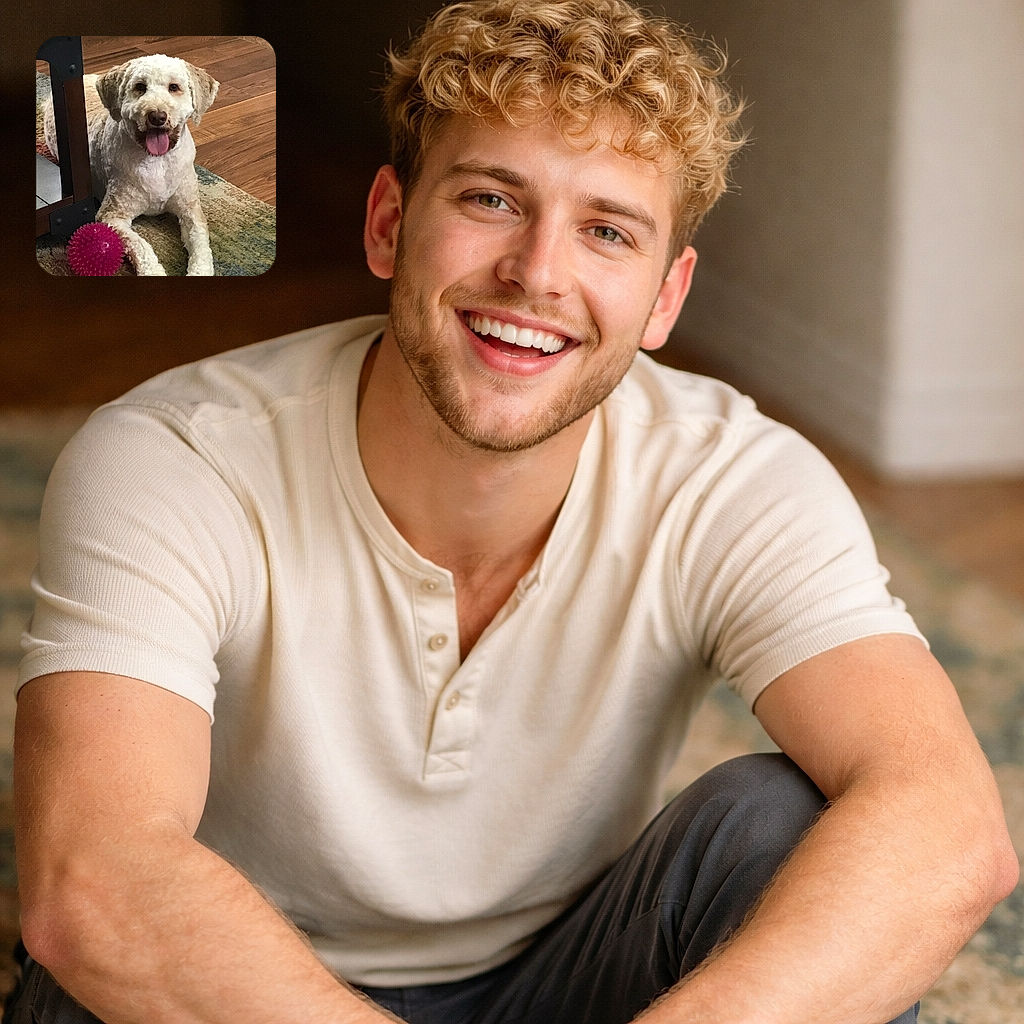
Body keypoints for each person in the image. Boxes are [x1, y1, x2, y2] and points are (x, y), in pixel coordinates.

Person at [8, 1, 1017, 1022]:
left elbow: (942, 819)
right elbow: (98, 877)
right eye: (491, 199)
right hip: (245, 976)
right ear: (390, 224)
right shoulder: (175, 457)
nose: (538, 275)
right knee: (106, 966)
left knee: (788, 825)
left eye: (606, 231)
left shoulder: (729, 476)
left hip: (582, 977)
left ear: (665, 299)